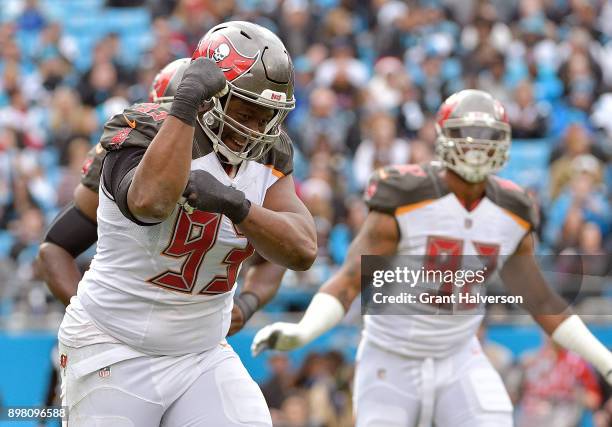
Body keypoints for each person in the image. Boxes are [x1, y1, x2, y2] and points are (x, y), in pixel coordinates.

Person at [252, 89, 612, 427]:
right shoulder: (406, 196)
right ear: (443, 138)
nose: (476, 147)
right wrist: (304, 331)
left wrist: (605, 360)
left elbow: (542, 300)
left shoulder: (514, 210)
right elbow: (349, 280)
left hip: (460, 355)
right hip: (390, 356)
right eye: (466, 135)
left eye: (487, 137)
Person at [57, 21, 316, 427]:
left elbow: (302, 251)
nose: (256, 128)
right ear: (211, 98)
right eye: (247, 110)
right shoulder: (143, 126)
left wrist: (237, 204)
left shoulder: (270, 152)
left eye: (268, 115)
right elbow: (148, 203)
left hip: (202, 352)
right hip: (115, 347)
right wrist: (185, 105)